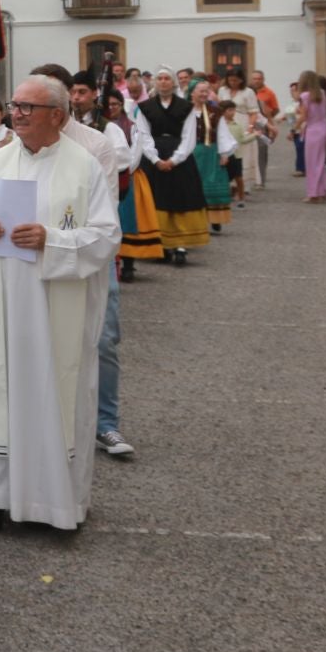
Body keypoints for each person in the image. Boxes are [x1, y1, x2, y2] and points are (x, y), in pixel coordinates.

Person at [0, 77, 120, 531]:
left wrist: (53, 239)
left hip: (52, 301)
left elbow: (106, 236)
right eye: (15, 104)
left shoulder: (83, 166)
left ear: (58, 117)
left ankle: (52, 502)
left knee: (51, 385)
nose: (17, 112)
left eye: (28, 106)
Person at [94, 90, 137, 456]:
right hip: (40, 252)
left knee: (104, 338)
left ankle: (106, 422)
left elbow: (108, 196)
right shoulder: (19, 148)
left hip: (94, 248)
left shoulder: (99, 139)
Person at [136, 68, 210, 265]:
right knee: (157, 200)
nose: (163, 82)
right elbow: (143, 135)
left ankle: (180, 246)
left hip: (180, 162)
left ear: (174, 82)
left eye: (167, 78)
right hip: (154, 161)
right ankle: (161, 244)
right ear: (154, 82)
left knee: (180, 200)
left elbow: (189, 137)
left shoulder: (186, 107)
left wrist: (175, 159)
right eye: (159, 78)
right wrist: (155, 159)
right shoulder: (145, 107)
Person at [106, 90, 161, 282]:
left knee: (127, 220)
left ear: (122, 106)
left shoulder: (131, 126)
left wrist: (123, 170)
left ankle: (128, 263)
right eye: (109, 104)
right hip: (103, 179)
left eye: (115, 104)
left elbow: (135, 153)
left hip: (127, 177)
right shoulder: (98, 126)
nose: (112, 107)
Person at [187, 81, 236, 232]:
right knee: (193, 187)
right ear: (192, 93)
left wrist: (224, 153)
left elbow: (222, 132)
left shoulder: (215, 111)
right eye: (200, 91)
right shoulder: (184, 111)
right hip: (190, 154)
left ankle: (214, 218)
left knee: (211, 186)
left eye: (206, 91)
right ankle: (195, 221)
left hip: (210, 153)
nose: (204, 94)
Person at [223, 70, 262, 198]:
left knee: (243, 154)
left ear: (241, 80)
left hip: (242, 122)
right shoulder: (222, 90)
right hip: (226, 124)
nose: (233, 83)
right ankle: (229, 183)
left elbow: (254, 112)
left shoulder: (248, 92)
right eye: (230, 80)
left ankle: (243, 185)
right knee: (229, 153)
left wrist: (250, 127)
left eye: (235, 80)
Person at [300, 70, 326, 202]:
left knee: (312, 163)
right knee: (321, 161)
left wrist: (294, 128)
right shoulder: (322, 93)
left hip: (313, 130)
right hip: (324, 128)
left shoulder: (305, 96)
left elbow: (304, 116)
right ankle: (323, 190)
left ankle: (314, 193)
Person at [251, 70, 281, 188]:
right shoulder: (249, 92)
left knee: (261, 154)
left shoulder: (269, 93)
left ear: (263, 79)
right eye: (254, 78)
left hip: (263, 125)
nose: (256, 81)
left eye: (259, 78)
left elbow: (276, 109)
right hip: (251, 125)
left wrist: (269, 120)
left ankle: (261, 180)